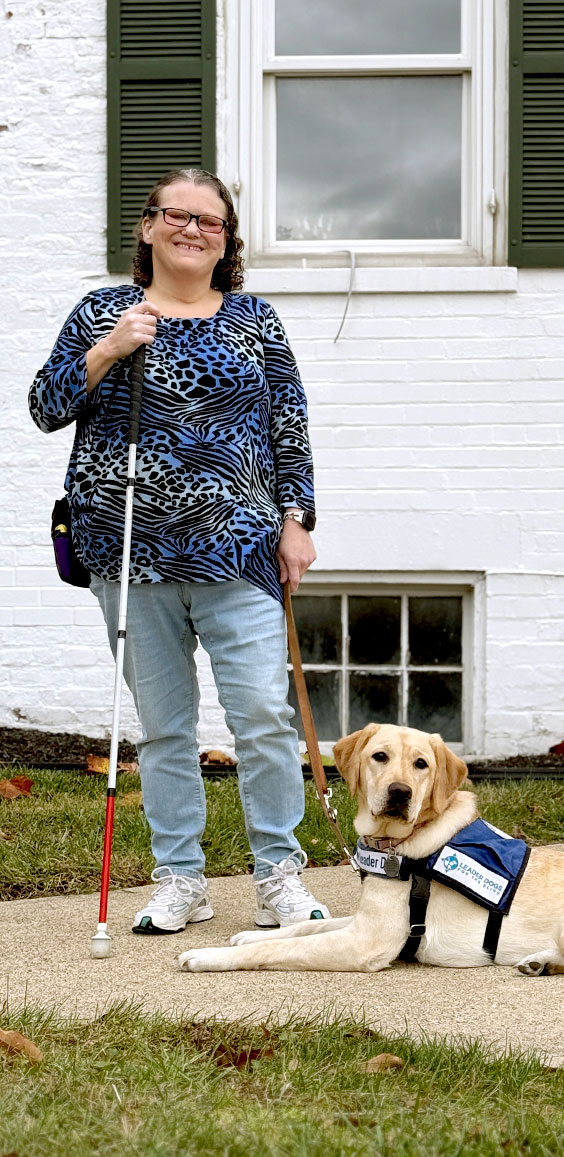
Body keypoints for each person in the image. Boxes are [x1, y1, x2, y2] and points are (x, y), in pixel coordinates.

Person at [29, 168, 331, 935]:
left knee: (262, 715)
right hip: (129, 550)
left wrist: (298, 521)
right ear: (147, 227)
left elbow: (287, 426)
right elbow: (45, 406)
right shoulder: (103, 311)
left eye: (210, 221)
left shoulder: (255, 319)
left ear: (226, 240)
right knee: (164, 725)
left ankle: (278, 874)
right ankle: (181, 880)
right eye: (177, 216)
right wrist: (108, 351)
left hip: (239, 549)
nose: (192, 230)